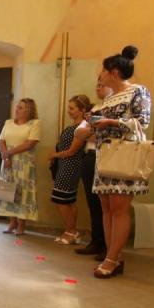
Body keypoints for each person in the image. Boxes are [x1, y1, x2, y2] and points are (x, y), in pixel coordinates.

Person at [91, 45, 151, 278]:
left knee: (119, 208)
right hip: (104, 156)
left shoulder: (138, 91)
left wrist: (111, 123)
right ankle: (113, 256)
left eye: (103, 70)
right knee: (106, 208)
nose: (101, 75)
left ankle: (112, 259)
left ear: (114, 72)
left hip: (124, 156)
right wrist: (94, 123)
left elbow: (142, 121)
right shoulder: (109, 98)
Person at [75, 79, 112, 259]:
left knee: (108, 205)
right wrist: (96, 131)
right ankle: (96, 242)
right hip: (90, 157)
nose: (98, 88)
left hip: (109, 156)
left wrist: (92, 131)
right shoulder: (95, 109)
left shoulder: (115, 109)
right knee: (93, 203)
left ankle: (109, 247)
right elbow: (79, 133)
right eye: (97, 85)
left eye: (102, 84)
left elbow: (111, 136)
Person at [48, 95, 92, 244]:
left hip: (71, 166)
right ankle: (72, 232)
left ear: (82, 110)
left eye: (72, 108)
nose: (69, 111)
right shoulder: (75, 126)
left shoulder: (82, 127)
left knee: (61, 199)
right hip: (65, 165)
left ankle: (71, 231)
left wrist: (54, 155)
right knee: (69, 200)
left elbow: (72, 151)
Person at [0, 99, 41, 235]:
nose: (16, 109)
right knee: (8, 191)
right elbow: (1, 141)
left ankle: (21, 224)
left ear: (29, 110)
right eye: (17, 107)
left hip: (24, 163)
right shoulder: (8, 122)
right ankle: (12, 222)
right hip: (7, 161)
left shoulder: (35, 123)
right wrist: (6, 157)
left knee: (23, 192)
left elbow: (30, 143)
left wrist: (9, 153)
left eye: (20, 108)